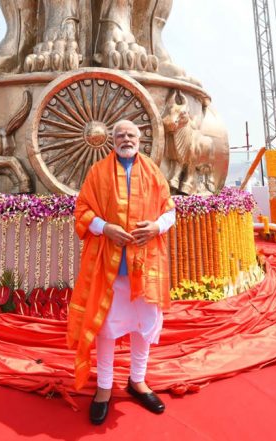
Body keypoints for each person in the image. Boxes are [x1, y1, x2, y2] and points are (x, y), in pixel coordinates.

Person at [68, 119, 176, 424]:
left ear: (139, 139)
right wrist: (106, 228)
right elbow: (82, 211)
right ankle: (103, 387)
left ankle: (137, 380)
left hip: (146, 264)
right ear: (111, 140)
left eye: (130, 134)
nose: (125, 138)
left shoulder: (154, 172)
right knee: (106, 328)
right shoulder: (98, 172)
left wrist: (156, 226)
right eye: (120, 135)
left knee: (144, 327)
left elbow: (170, 211)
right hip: (109, 266)